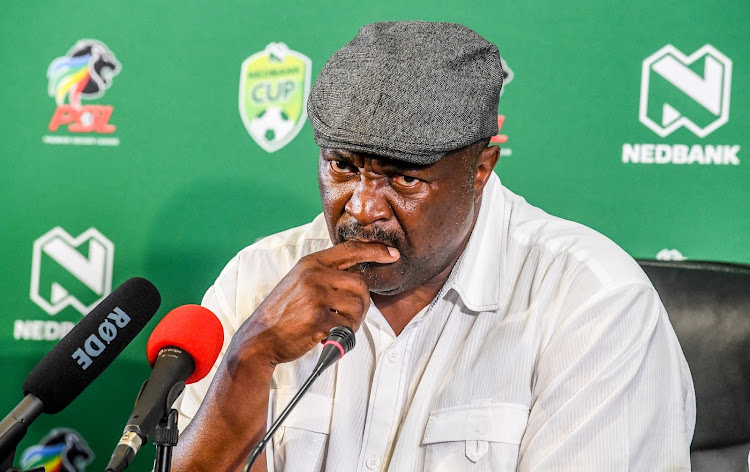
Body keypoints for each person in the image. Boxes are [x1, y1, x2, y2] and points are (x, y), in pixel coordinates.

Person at [172, 21, 695, 471]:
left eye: (402, 180)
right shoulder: (257, 278)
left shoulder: (592, 301)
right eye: (343, 167)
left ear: (481, 170)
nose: (361, 208)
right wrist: (250, 357)